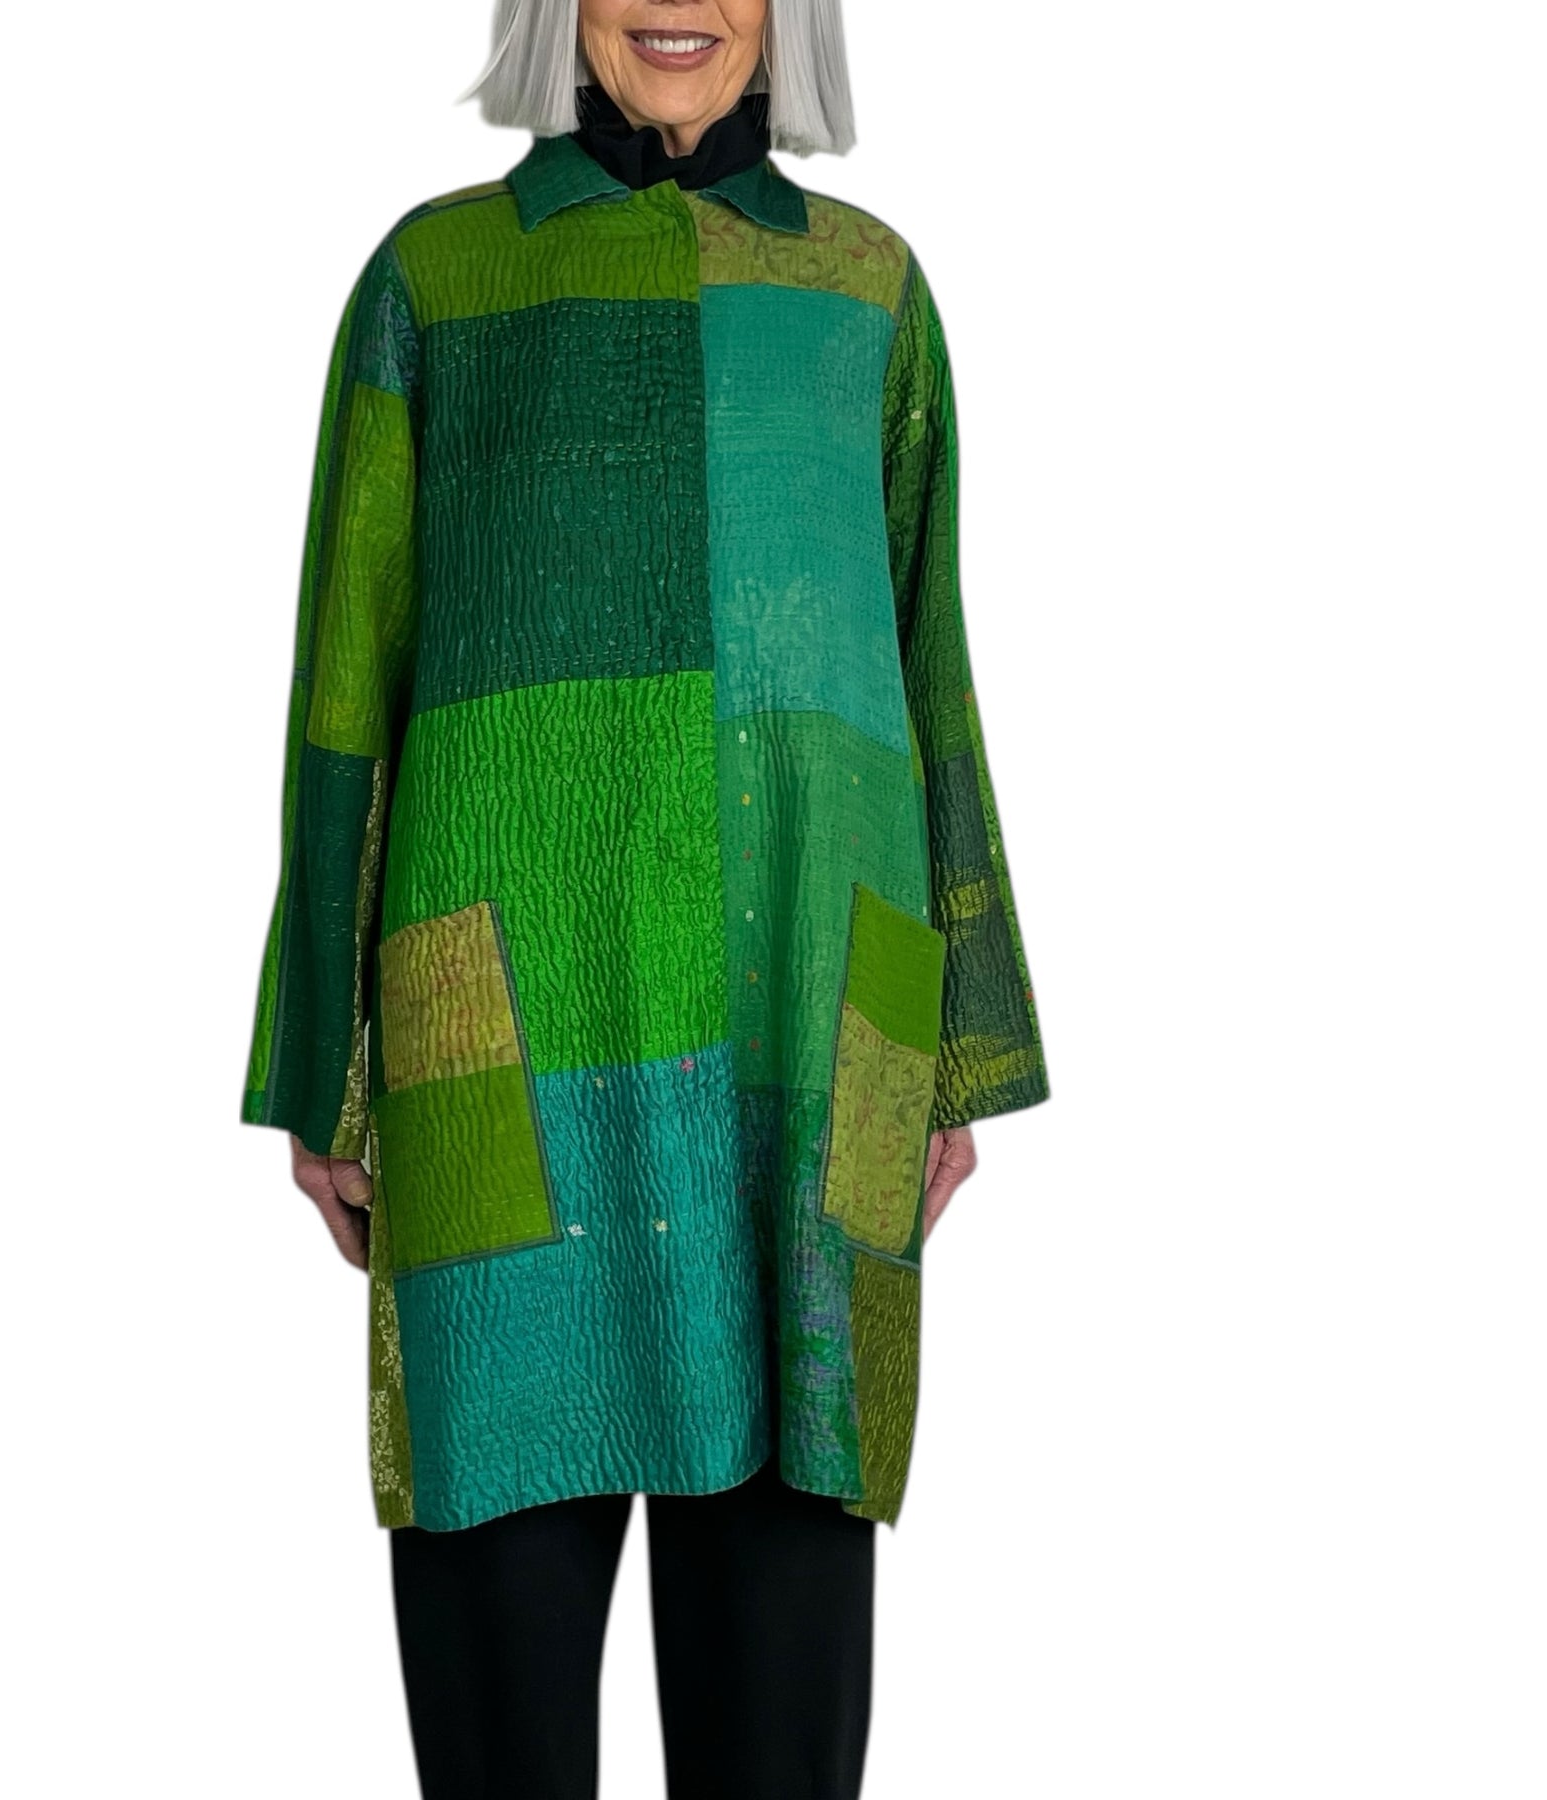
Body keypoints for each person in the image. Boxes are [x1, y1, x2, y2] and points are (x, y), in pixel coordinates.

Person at [240, 2, 1050, 1793]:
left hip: (811, 1039)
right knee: (500, 1715)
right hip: (502, 1037)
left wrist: (955, 1047)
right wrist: (321, 1065)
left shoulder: (871, 291)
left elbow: (929, 680)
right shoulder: (433, 279)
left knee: (783, 1725)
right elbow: (343, 690)